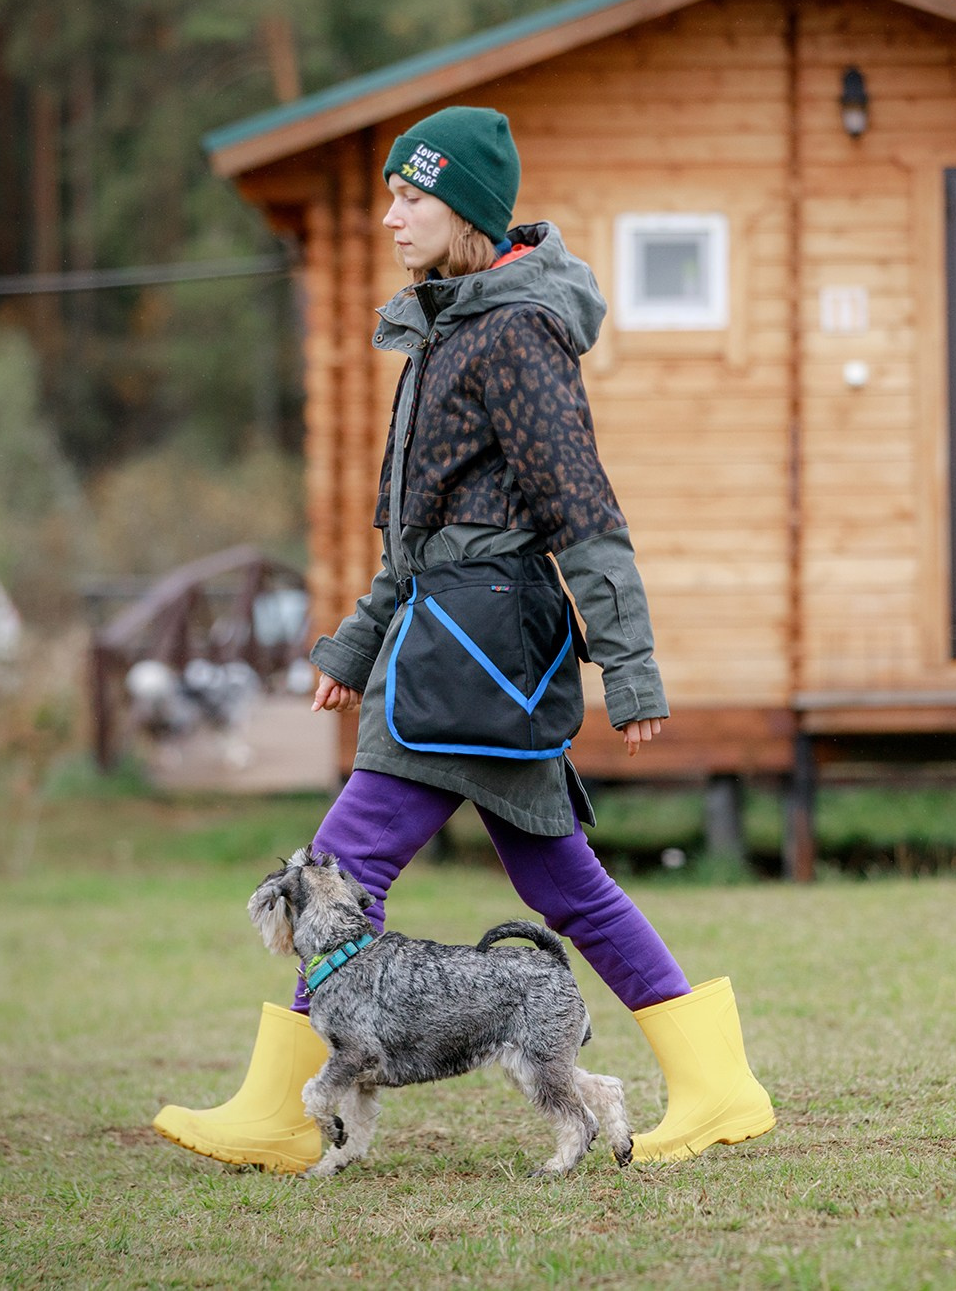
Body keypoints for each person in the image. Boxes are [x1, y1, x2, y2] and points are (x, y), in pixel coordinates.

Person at [152, 106, 773, 1172]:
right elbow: (419, 530)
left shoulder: (514, 334)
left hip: (476, 657)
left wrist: (629, 666)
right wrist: (353, 649)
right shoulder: (450, 328)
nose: (389, 214)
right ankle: (716, 1082)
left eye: (410, 194)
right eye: (387, 192)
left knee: (348, 866)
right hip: (443, 645)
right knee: (558, 884)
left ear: (468, 212)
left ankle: (281, 1109)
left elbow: (582, 509)